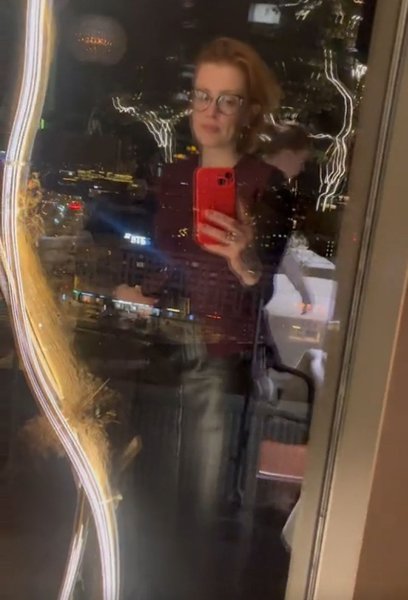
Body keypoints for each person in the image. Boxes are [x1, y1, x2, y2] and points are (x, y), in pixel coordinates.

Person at [116, 38, 293, 599]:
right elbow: (164, 262)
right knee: (148, 494)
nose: (210, 111)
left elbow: (263, 283)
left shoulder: (267, 184)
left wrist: (243, 259)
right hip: (162, 351)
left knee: (204, 504)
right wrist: (138, 291)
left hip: (222, 359)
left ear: (249, 112)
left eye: (227, 100)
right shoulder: (173, 178)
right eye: (201, 96)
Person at [260, 123, 314, 312]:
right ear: (288, 155)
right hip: (245, 294)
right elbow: (278, 249)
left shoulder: (258, 183)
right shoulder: (273, 194)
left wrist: (302, 289)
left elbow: (280, 249)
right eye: (301, 161)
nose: (301, 169)